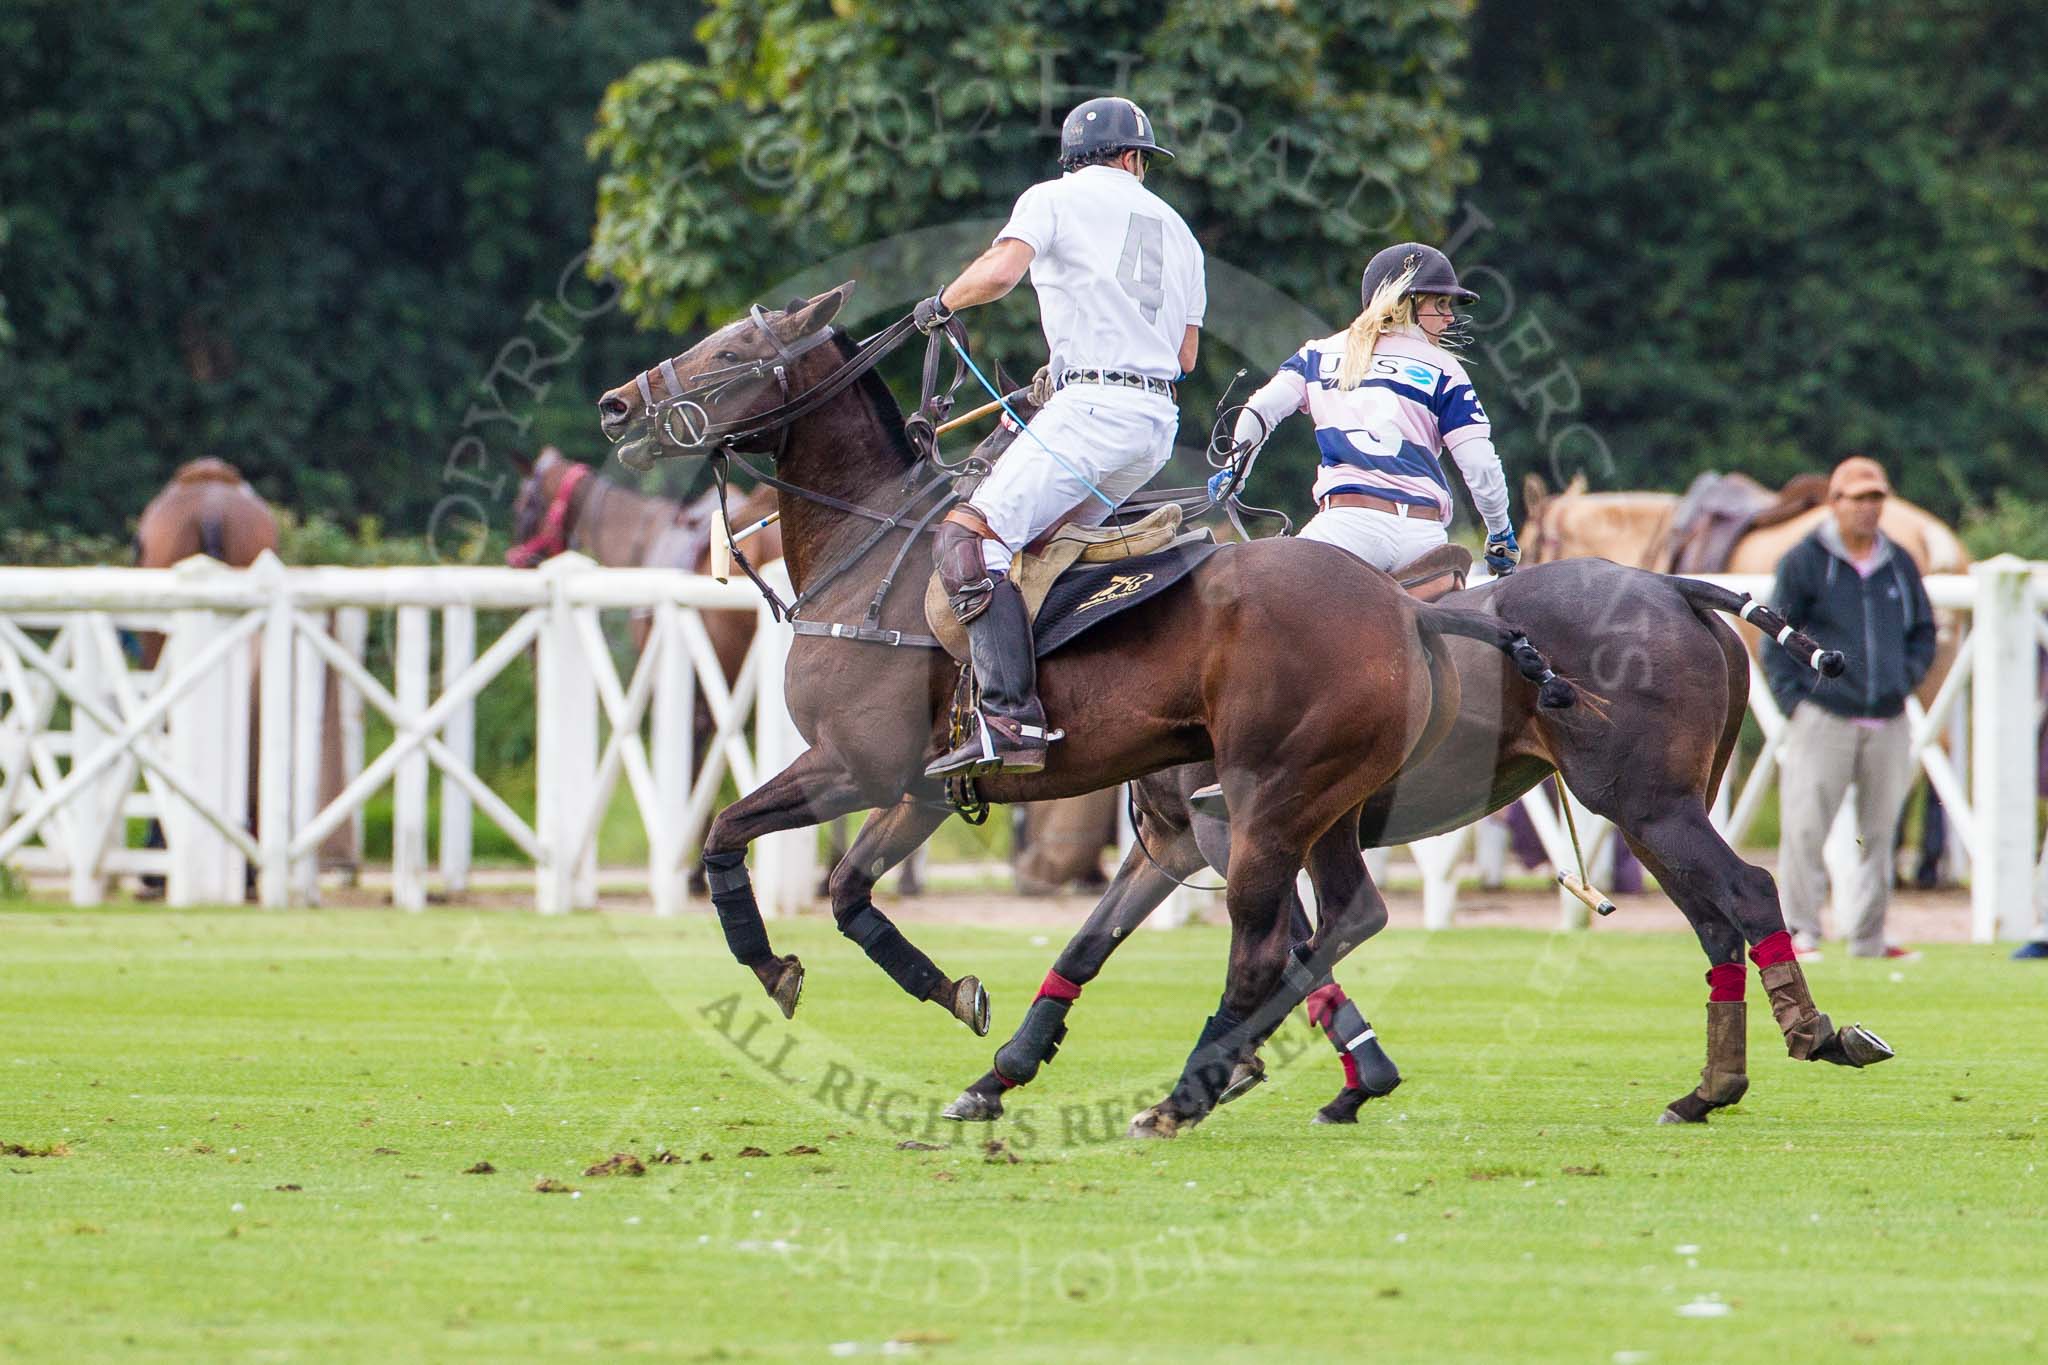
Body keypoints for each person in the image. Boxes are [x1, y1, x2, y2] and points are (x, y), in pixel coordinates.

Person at [913, 95, 1205, 779]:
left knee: (968, 539)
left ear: (1077, 157)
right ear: (1133, 158)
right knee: (1041, 553)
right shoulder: (1180, 231)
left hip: (1095, 413)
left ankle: (1011, 718)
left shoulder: (1053, 197)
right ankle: (1074, 698)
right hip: (1154, 424)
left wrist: (940, 304)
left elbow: (1001, 272)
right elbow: (1186, 355)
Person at [1210, 241, 1520, 578]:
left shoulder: (1316, 355)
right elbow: (1480, 465)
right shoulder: (1445, 369)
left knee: (1267, 601)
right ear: (1405, 302)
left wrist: (1234, 471)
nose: (1449, 317)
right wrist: (1500, 531)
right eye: (1440, 304)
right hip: (1423, 538)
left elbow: (1260, 409)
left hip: (1346, 528)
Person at [1764, 456, 1935, 961]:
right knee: (1804, 829)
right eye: (1858, 498)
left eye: (1876, 498)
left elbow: (1922, 630)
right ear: (1835, 502)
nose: (1868, 508)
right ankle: (1800, 931)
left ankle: (1868, 937)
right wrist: (1795, 701)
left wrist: (1904, 680)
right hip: (1824, 715)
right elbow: (1777, 634)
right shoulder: (1805, 560)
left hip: (1887, 717)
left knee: (1881, 834)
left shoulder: (1898, 561)